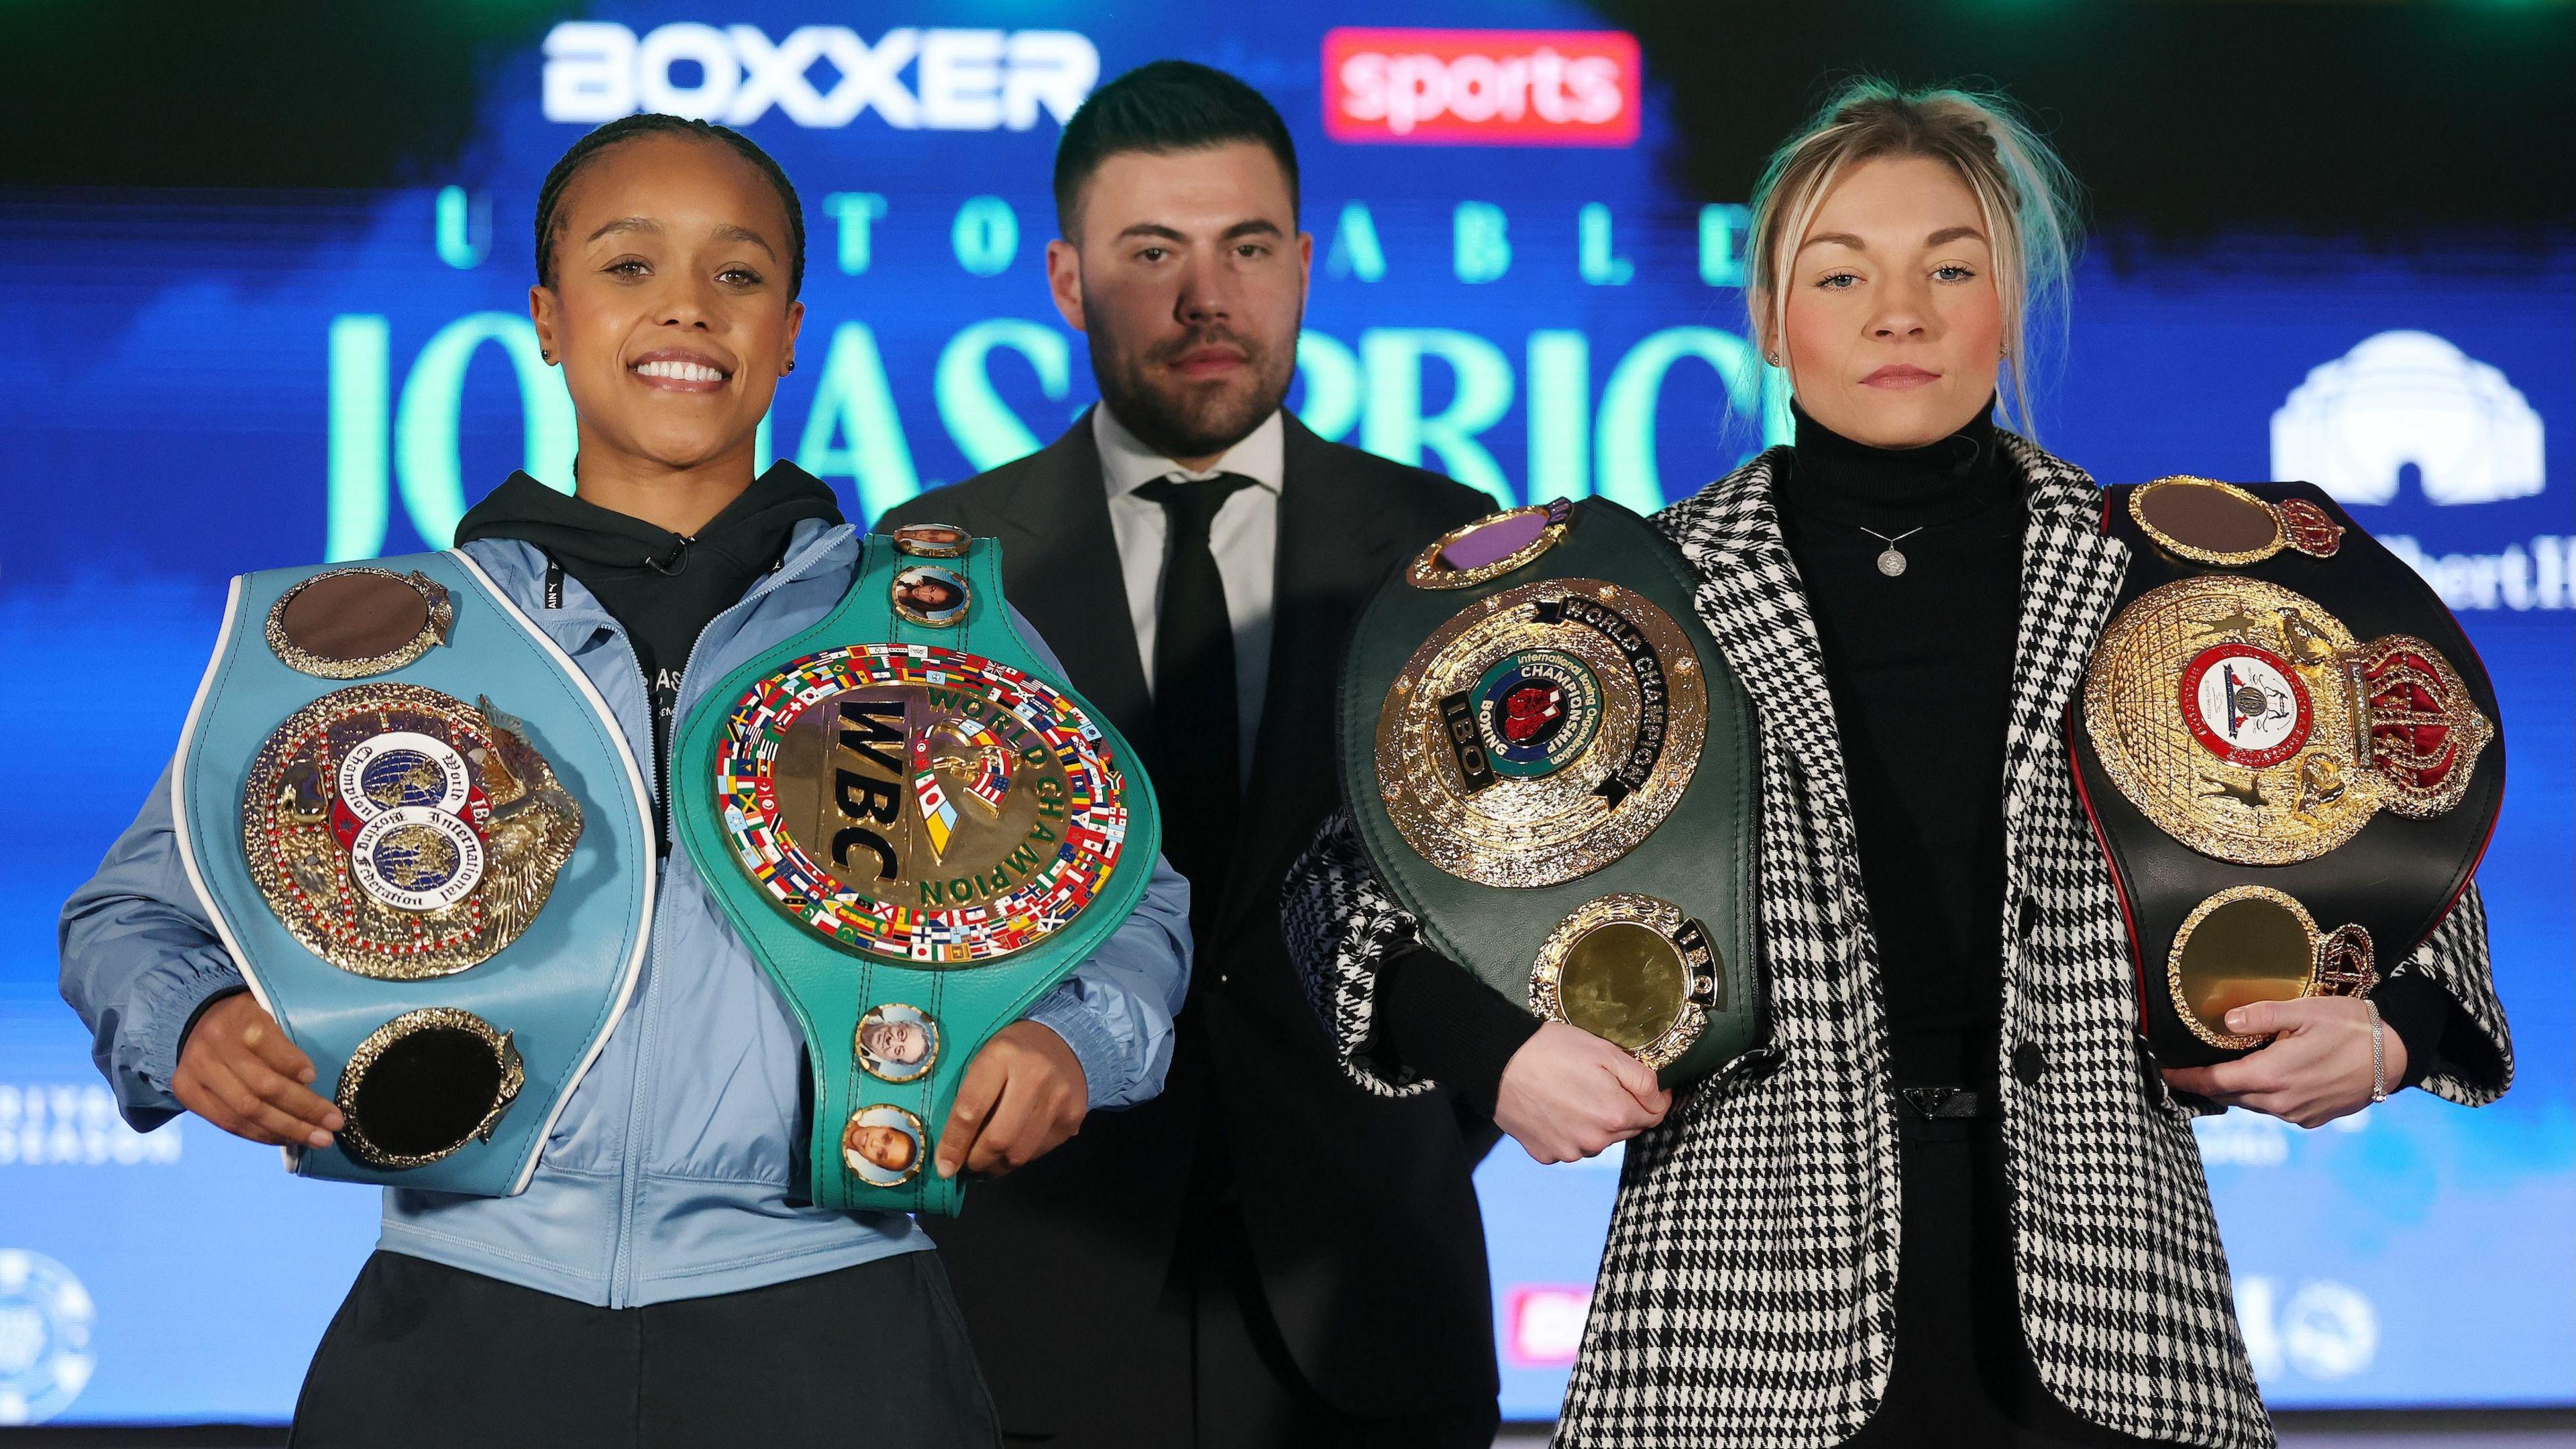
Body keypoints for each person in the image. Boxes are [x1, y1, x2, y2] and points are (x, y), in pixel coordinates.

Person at [1285, 78, 2512, 1448]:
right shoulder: (1622, 598)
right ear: (1767, 316)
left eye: (1951, 265)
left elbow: (2422, 901)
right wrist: (1502, 1055)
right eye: (1840, 271)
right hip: (1732, 1335)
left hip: (2117, 1325)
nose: (1900, 310)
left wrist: (2388, 1038)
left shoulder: (2171, 577)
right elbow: (1348, 906)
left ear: (2009, 300)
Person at [60, 113, 1190, 1448]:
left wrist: (1070, 1044)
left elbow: (1132, 917)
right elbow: (125, 921)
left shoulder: (927, 637)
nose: (688, 310)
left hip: (837, 1326)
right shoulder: (370, 639)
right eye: (629, 265)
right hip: (462, 1319)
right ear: (546, 316)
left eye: (740, 274)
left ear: (789, 331)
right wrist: (188, 1024)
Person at [880, 59, 1504, 1449]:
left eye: (1246, 247)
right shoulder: (933, 569)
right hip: (1036, 1298)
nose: (1203, 297)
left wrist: (1387, 1132)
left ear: (1305, 263)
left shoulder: (1453, 548)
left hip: (1368, 1302)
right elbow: (890, 924)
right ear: (1065, 276)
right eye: (1150, 252)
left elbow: (1503, 905)